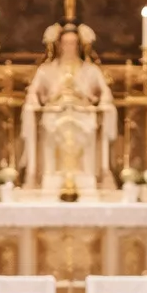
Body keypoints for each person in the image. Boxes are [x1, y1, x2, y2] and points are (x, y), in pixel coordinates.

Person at [21, 21, 118, 189]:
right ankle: (46, 176)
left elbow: (105, 94)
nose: (69, 47)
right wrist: (39, 99)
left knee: (86, 125)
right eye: (66, 43)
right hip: (54, 114)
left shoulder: (90, 70)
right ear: (59, 45)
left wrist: (93, 98)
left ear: (79, 45)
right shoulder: (46, 69)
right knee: (51, 124)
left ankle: (90, 175)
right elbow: (32, 93)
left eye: (73, 43)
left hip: (83, 115)